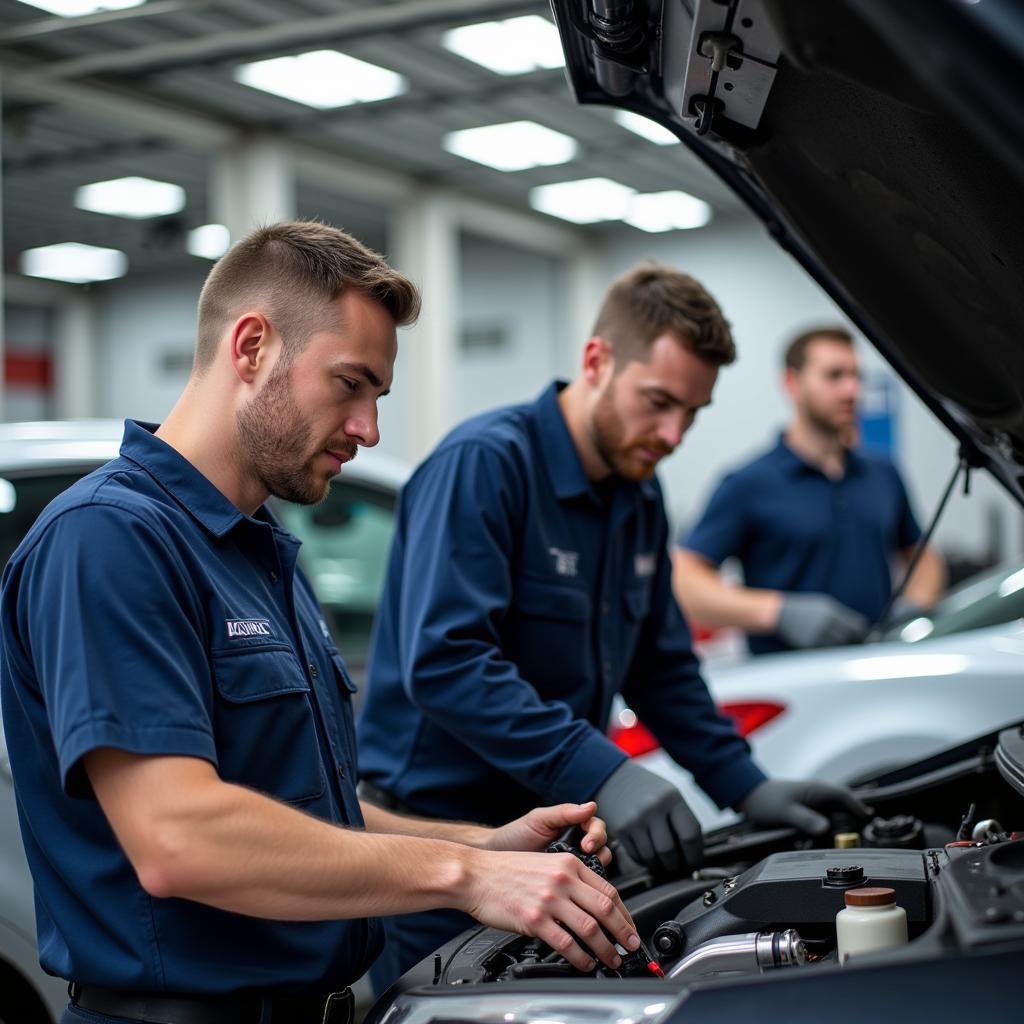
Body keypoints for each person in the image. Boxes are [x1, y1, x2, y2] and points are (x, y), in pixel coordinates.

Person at [0, 222, 643, 1024]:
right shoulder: (109, 539)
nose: (368, 427)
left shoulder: (258, 553)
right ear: (251, 347)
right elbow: (179, 836)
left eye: (378, 397)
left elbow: (299, 808)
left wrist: (480, 845)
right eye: (350, 384)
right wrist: (463, 878)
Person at [357, 264, 870, 991]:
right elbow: (447, 664)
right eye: (659, 402)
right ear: (597, 361)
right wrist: (604, 769)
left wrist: (747, 785)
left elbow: (661, 668)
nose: (672, 435)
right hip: (439, 853)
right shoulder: (486, 466)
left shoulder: (638, 496)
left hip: (556, 852)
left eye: (692, 413)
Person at [674, 326, 945, 656]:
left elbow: (923, 558)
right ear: (792, 383)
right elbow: (686, 581)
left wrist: (915, 604)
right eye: (834, 376)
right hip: (793, 683)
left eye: (856, 376)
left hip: (876, 670)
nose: (851, 390)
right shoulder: (749, 483)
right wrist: (777, 612)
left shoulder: (883, 473)